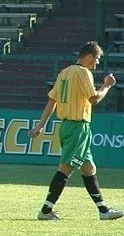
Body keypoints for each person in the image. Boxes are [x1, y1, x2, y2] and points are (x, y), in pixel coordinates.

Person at [29, 41, 122, 221]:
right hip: (77, 127)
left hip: (67, 127)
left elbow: (52, 101)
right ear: (88, 56)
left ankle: (103, 211)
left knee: (89, 168)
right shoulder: (83, 73)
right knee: (66, 169)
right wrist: (107, 85)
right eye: (97, 59)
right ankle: (45, 211)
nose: (97, 63)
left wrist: (40, 125)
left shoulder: (65, 72)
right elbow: (94, 99)